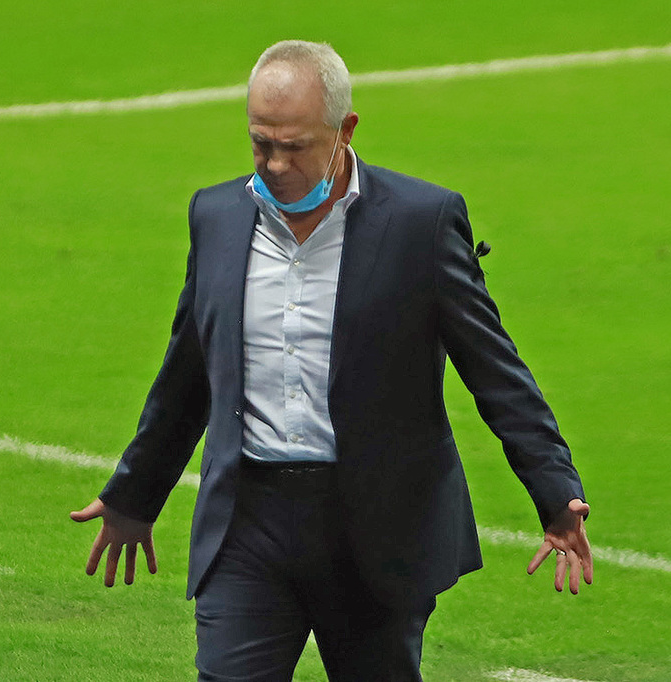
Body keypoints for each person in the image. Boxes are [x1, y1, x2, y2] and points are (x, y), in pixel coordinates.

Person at [71, 39, 593, 681]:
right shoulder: (216, 216)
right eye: (260, 143)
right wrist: (136, 495)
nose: (274, 164)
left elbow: (495, 370)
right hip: (248, 522)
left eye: (294, 147)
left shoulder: (420, 223)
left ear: (345, 130)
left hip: (375, 528)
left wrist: (555, 492)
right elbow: (189, 373)